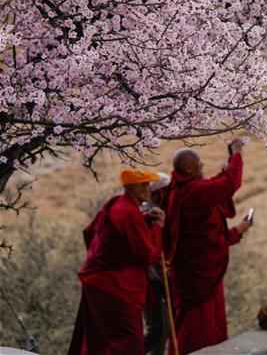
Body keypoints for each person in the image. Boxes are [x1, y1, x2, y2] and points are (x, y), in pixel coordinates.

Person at [165, 141, 251, 355]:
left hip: (194, 272)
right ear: (188, 168)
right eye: (199, 163)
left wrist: (225, 170)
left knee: (202, 326)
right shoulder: (192, 192)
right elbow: (227, 186)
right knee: (197, 331)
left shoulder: (180, 190)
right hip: (198, 275)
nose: (203, 166)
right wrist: (237, 155)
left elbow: (213, 188)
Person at [68, 168, 165, 355]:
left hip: (97, 282)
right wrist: (157, 227)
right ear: (136, 187)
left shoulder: (117, 203)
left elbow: (90, 232)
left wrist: (145, 220)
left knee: (98, 342)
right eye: (146, 184)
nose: (149, 188)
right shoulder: (128, 213)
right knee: (129, 341)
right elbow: (148, 255)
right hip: (114, 287)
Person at [144, 173, 171, 355]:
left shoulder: (153, 210)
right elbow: (151, 253)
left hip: (153, 280)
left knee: (162, 329)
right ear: (160, 193)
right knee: (158, 330)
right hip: (150, 281)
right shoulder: (151, 214)